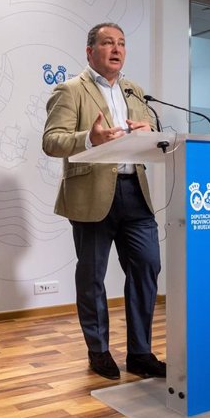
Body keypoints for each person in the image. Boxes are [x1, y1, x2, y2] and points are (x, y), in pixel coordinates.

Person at [42, 22, 165, 380]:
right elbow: (52, 141)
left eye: (122, 43)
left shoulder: (135, 91)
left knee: (147, 267)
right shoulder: (69, 89)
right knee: (93, 277)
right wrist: (90, 139)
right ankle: (98, 351)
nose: (117, 49)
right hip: (91, 195)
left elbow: (152, 137)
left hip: (135, 193)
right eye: (108, 42)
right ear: (90, 50)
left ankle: (140, 352)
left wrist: (152, 133)